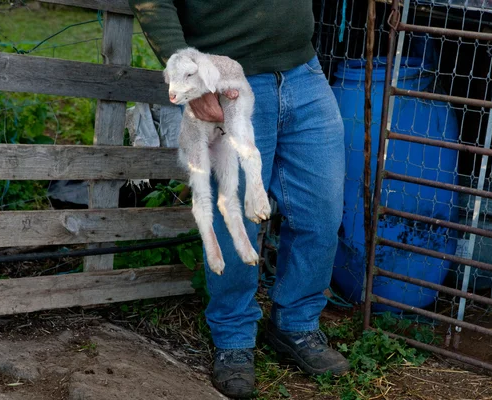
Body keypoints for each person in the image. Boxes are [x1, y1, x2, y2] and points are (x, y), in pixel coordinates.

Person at [128, 1, 350, 398]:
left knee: (322, 210)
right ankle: (233, 339)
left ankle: (296, 326)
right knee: (235, 213)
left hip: (304, 71)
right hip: (228, 79)